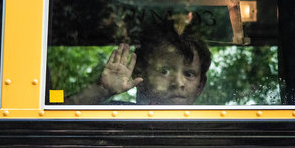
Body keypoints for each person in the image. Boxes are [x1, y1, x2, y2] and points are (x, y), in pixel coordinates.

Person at [64, 24, 211, 105]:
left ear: (200, 85)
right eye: (164, 71)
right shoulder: (118, 113)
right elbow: (57, 112)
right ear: (139, 75)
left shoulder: (213, 125)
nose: (178, 83)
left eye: (189, 74)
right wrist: (102, 89)